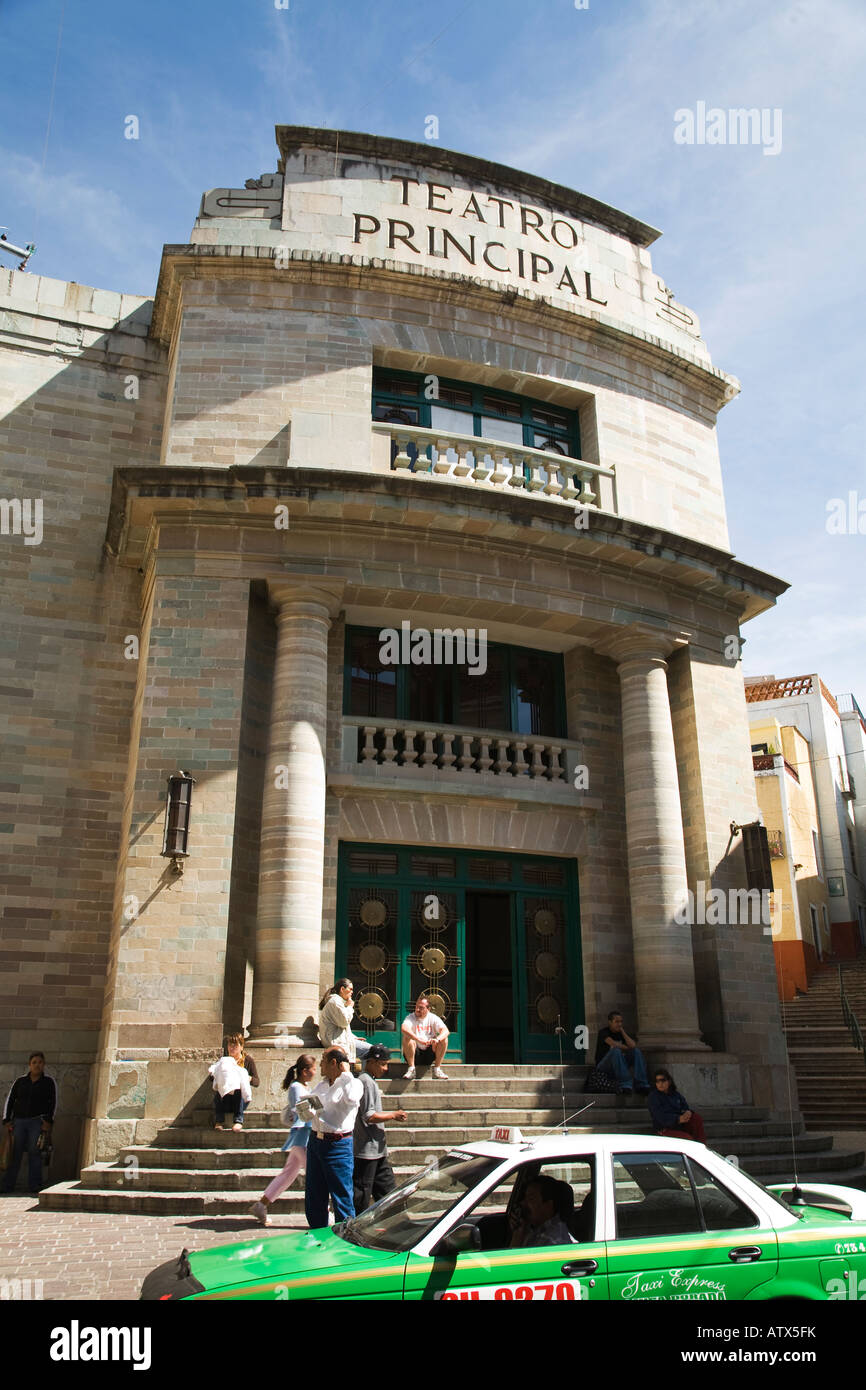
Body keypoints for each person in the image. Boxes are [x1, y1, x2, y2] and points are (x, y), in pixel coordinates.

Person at [250, 1053, 315, 1227]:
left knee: (288, 1174)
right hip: (303, 1136)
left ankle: (261, 1205)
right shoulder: (296, 1087)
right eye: (313, 1069)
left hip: (303, 1136)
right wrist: (317, 1113)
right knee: (316, 1176)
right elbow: (299, 1111)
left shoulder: (304, 1086)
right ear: (304, 1071)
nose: (315, 1072)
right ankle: (322, 1212)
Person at [304, 1047, 364, 1230]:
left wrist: (346, 1073)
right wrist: (301, 1111)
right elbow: (310, 1108)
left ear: (334, 1063)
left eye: (324, 1059)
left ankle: (345, 1235)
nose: (320, 1063)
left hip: (337, 1145)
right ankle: (317, 1231)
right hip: (316, 1141)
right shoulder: (321, 1085)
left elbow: (352, 1098)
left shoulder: (353, 1084)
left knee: (341, 1196)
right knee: (314, 1194)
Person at [353, 1044, 407, 1213]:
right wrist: (393, 1115)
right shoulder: (366, 1082)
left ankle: (394, 1223)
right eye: (382, 1064)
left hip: (377, 1149)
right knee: (362, 1193)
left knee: (387, 1191)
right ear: (371, 1062)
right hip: (366, 1150)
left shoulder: (370, 1081)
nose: (385, 1068)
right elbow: (369, 1115)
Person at [2, 1051, 56, 1196]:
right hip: (19, 1122)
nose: (37, 1065)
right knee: (15, 1153)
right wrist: (7, 1120)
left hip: (37, 1122)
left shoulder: (48, 1083)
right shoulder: (20, 1082)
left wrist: (48, 1121)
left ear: (43, 1065)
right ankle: (8, 1184)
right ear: (29, 1065)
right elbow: (11, 1100)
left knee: (34, 1152)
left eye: (40, 1062)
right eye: (34, 1062)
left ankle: (34, 1185)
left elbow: (52, 1103)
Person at [509, 1176, 575, 1248]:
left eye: (531, 1199)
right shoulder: (533, 1230)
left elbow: (513, 1258)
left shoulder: (554, 1239)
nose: (523, 1203)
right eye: (525, 1198)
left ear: (548, 1206)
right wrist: (518, 1233)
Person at [595, 1010, 650, 1094]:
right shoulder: (603, 1032)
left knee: (636, 1051)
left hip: (618, 1064)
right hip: (604, 1067)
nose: (619, 1024)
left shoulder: (621, 1033)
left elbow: (633, 1045)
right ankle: (625, 1084)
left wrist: (623, 1032)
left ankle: (642, 1084)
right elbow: (613, 1043)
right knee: (616, 1051)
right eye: (616, 1022)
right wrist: (626, 1048)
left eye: (621, 1022)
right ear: (610, 1022)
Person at [318, 979, 371, 1065]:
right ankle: (364, 1077)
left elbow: (342, 1027)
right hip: (336, 1042)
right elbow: (344, 1022)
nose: (352, 992)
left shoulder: (338, 1002)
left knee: (367, 1050)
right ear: (342, 989)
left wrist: (353, 1037)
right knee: (370, 1050)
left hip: (340, 1040)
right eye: (350, 989)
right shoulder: (335, 1002)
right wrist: (350, 1007)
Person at [648, 1068, 707, 1144]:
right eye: (657, 1081)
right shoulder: (653, 1097)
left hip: (680, 1125)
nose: (660, 1084)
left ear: (669, 1081)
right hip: (664, 1128)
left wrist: (687, 1112)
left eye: (663, 1080)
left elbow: (684, 1106)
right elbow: (660, 1116)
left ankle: (701, 1146)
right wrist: (677, 1119)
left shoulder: (675, 1094)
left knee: (696, 1118)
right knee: (688, 1140)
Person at [209, 1035, 252, 1132]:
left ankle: (238, 1120)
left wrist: (249, 1078)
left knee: (237, 1089)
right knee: (219, 1093)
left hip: (240, 1100)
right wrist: (217, 1075)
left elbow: (257, 1081)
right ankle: (219, 1121)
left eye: (235, 1046)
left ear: (241, 1047)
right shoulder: (224, 1061)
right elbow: (212, 1077)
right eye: (230, 1045)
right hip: (226, 1099)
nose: (232, 1048)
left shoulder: (248, 1061)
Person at [401, 994, 449, 1080]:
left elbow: (446, 1031)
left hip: (429, 1053)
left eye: (421, 1008)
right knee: (407, 1037)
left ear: (428, 1009)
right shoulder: (411, 1017)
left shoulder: (433, 1018)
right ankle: (411, 1069)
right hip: (415, 1054)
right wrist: (417, 1039)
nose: (417, 1010)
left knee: (444, 1039)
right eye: (416, 1007)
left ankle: (437, 1069)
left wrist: (437, 1040)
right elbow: (404, 1028)